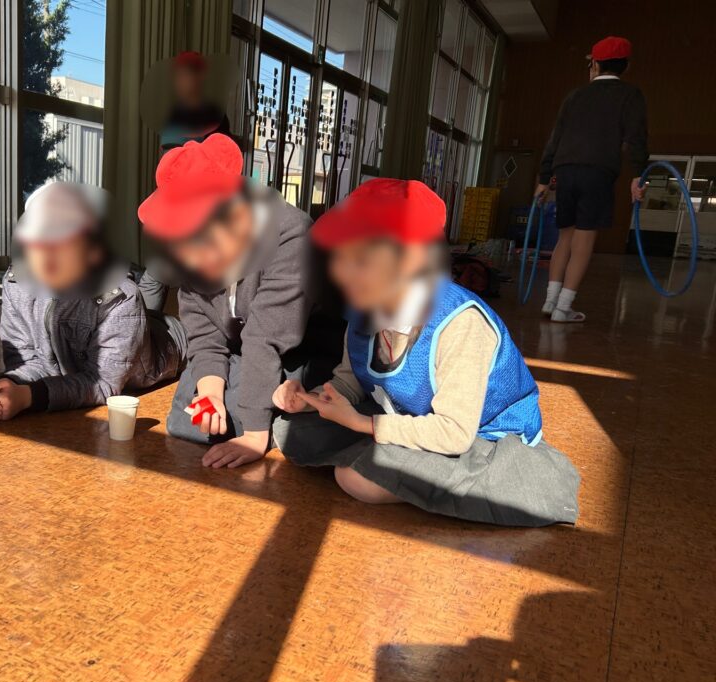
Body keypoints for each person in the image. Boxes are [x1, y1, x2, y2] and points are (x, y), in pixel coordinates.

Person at [272, 179, 580, 527]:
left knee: (357, 479)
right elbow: (349, 381)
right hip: (410, 415)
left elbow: (455, 432)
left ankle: (491, 477)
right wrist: (311, 399)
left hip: (484, 439)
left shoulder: (460, 323)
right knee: (292, 432)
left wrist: (359, 423)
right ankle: (390, 456)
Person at [138, 133, 342, 469]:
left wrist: (254, 435)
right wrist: (210, 395)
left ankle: (279, 415)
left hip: (302, 352)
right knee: (187, 420)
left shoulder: (291, 235)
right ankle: (260, 407)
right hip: (243, 353)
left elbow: (266, 337)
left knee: (287, 424)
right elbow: (205, 337)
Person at [0, 181, 185, 422]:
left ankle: (164, 262)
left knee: (147, 308)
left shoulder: (122, 298)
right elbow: (27, 360)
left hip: (164, 343)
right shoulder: (16, 282)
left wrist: (29, 397)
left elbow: (103, 382)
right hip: (122, 321)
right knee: (139, 308)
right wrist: (9, 385)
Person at [536, 35, 648, 323]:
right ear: (626, 65)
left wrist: (544, 178)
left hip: (565, 170)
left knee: (565, 236)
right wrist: (638, 175)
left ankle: (550, 301)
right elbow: (636, 138)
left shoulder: (574, 96)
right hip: (598, 172)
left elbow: (555, 139)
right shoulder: (630, 95)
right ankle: (563, 307)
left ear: (595, 65)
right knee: (584, 239)